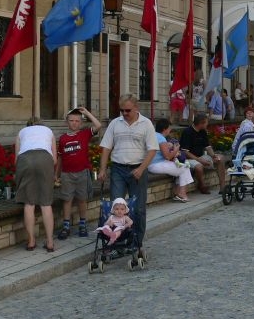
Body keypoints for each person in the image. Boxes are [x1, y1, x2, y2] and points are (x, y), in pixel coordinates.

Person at [97, 94, 158, 262]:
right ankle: (113, 242)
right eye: (122, 110)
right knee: (116, 207)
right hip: (118, 168)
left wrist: (141, 168)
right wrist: (102, 169)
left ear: (136, 108)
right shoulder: (115, 124)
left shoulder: (146, 124)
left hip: (138, 169)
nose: (124, 113)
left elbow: (152, 149)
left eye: (128, 110)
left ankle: (137, 243)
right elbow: (106, 147)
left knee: (138, 209)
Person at [56, 107, 101, 240]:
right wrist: (56, 174)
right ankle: (66, 226)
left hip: (82, 173)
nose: (74, 123)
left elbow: (98, 125)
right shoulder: (63, 139)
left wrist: (87, 113)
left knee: (82, 199)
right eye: (72, 120)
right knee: (67, 200)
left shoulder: (84, 134)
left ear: (80, 123)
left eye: (77, 121)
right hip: (67, 174)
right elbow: (60, 158)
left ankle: (82, 224)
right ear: (67, 122)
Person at [15, 117, 57, 252]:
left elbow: (16, 159)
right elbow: (55, 159)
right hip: (45, 158)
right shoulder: (48, 131)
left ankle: (31, 241)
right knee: (45, 203)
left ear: (28, 126)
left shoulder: (21, 132)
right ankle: (50, 242)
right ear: (41, 124)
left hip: (25, 159)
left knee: (29, 203)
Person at [148, 118, 194, 202]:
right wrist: (176, 149)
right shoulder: (161, 138)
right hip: (156, 165)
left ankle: (177, 193)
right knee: (185, 168)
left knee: (181, 168)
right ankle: (182, 194)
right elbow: (167, 157)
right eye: (169, 128)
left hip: (151, 164)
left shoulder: (153, 135)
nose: (170, 130)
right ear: (165, 129)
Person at [180, 113, 227, 194]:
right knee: (199, 167)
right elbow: (185, 151)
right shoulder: (187, 132)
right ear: (201, 123)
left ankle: (222, 187)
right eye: (206, 122)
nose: (207, 124)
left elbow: (208, 147)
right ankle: (202, 186)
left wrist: (213, 155)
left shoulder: (203, 132)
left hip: (201, 156)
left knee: (220, 158)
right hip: (190, 158)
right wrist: (199, 160)